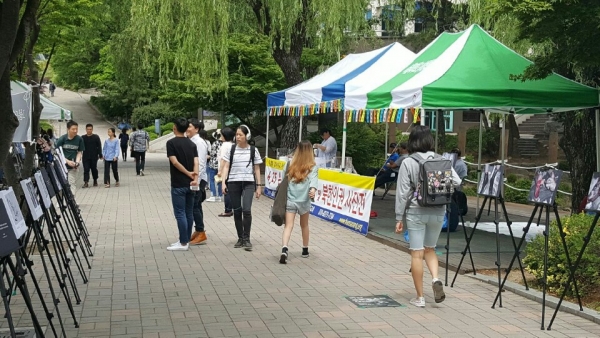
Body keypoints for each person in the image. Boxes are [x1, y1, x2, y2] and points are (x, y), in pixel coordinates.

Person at [394, 125, 461, 308]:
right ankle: (436, 279)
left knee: (417, 254)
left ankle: (420, 297)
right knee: (430, 249)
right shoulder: (440, 159)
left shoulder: (408, 162)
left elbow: (401, 193)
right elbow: (457, 181)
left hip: (417, 211)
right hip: (438, 210)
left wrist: (399, 218)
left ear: (412, 141)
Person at [221, 125, 263, 251]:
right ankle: (240, 238)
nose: (238, 137)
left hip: (249, 183)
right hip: (233, 182)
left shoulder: (253, 150)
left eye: (240, 135)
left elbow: (257, 168)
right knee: (237, 210)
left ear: (247, 136)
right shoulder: (232, 149)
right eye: (237, 135)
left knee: (247, 210)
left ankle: (247, 238)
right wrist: (223, 182)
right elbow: (226, 166)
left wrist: (259, 186)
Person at [279, 140, 319, 264]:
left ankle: (284, 248)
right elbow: (313, 183)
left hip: (291, 199)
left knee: (288, 226)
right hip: (304, 200)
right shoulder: (312, 167)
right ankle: (305, 249)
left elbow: (283, 181)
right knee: (304, 225)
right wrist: (312, 190)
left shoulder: (290, 164)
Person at [166, 118, 199, 251]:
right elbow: (196, 162)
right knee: (189, 212)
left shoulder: (171, 143)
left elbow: (174, 162)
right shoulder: (192, 144)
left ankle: (183, 242)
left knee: (180, 213)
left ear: (174, 127)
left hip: (178, 183)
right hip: (191, 183)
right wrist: (194, 176)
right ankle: (184, 239)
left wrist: (187, 173)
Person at [187, 119, 209, 246]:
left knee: (195, 205)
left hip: (198, 179)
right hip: (196, 178)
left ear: (196, 129)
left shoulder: (199, 143)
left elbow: (200, 163)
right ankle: (199, 230)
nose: (187, 129)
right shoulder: (192, 141)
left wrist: (196, 180)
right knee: (196, 206)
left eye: (190, 126)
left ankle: (201, 232)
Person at [55, 120, 85, 195]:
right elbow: (57, 153)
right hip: (62, 166)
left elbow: (79, 152)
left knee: (72, 183)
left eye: (76, 129)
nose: (75, 131)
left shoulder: (79, 139)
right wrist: (67, 161)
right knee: (62, 183)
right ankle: (61, 202)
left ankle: (72, 203)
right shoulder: (62, 139)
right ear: (68, 129)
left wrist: (77, 162)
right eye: (73, 129)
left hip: (73, 166)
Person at [217, 128, 235, 216]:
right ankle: (230, 209)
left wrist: (220, 170)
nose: (221, 137)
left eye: (221, 135)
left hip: (225, 170)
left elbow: (223, 160)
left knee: (225, 190)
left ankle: (228, 210)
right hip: (230, 170)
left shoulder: (225, 145)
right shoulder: (232, 145)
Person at [81, 124, 103, 188]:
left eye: (90, 129)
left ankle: (95, 180)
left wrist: (100, 154)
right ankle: (86, 182)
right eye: (88, 129)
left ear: (92, 129)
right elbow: (80, 146)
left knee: (94, 169)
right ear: (86, 129)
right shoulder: (83, 137)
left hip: (94, 156)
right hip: (85, 156)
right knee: (86, 169)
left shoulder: (96, 137)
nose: (89, 130)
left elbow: (99, 146)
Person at [207, 129, 223, 202]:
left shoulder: (214, 143)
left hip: (213, 164)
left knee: (212, 180)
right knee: (220, 180)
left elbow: (212, 154)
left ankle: (213, 195)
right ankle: (220, 196)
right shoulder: (224, 144)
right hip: (221, 165)